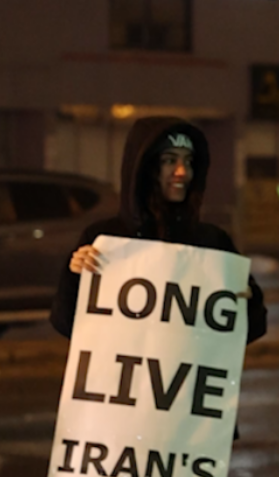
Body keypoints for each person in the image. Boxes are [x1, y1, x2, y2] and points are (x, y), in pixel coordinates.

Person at [52, 117, 267, 345]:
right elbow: (66, 324)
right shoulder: (105, 239)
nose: (182, 172)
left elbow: (253, 328)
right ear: (145, 168)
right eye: (169, 160)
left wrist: (245, 301)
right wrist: (76, 276)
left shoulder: (212, 242)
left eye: (189, 161)